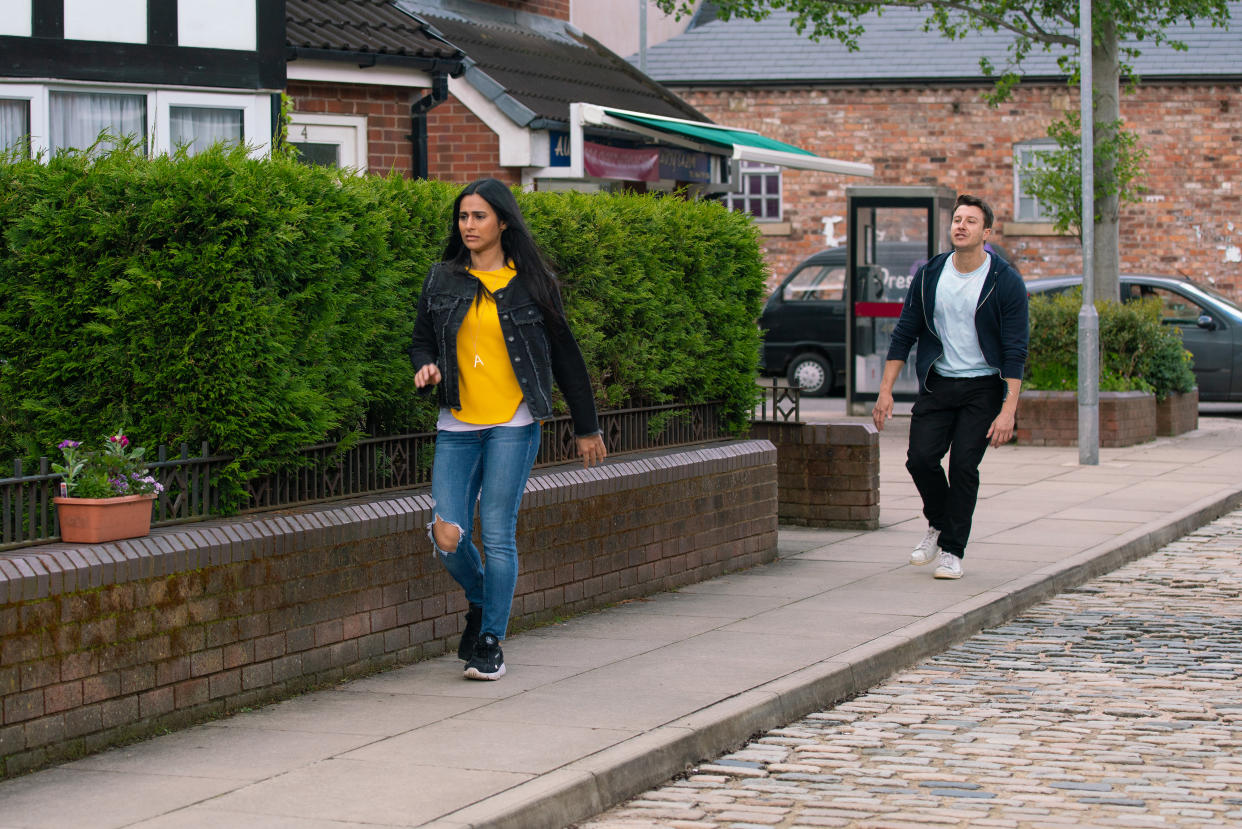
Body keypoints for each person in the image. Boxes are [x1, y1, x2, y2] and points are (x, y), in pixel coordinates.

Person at [409, 178, 607, 680]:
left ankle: (491, 640)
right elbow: (421, 340)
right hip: (456, 423)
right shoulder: (441, 279)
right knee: (447, 534)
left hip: (513, 424)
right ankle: (481, 602)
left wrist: (587, 427)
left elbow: (566, 356)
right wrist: (427, 365)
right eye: (463, 217)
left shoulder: (533, 282)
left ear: (502, 221)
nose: (468, 225)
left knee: (497, 532)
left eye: (478, 216)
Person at [872, 194, 1028, 580]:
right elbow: (905, 332)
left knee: (962, 466)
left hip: (982, 388)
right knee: (920, 459)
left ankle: (952, 550)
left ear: (986, 232)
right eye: (957, 219)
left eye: (971, 221)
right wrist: (886, 390)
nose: (961, 225)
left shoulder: (1004, 281)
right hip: (939, 382)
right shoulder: (930, 274)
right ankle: (939, 523)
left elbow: (1014, 351)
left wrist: (1008, 410)